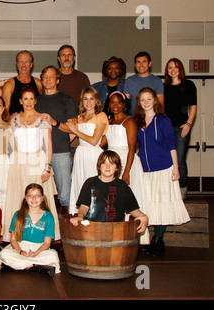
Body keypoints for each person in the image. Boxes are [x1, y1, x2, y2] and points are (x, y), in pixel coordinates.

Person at [134, 87, 190, 256]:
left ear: (155, 101)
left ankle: (158, 240)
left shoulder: (163, 121)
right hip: (144, 169)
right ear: (139, 103)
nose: (146, 103)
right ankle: (149, 240)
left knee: (162, 204)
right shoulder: (137, 122)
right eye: (142, 100)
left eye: (149, 99)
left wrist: (176, 167)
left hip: (164, 167)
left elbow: (172, 145)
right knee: (149, 205)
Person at [3, 85, 59, 242]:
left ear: (36, 100)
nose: (28, 102)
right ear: (20, 101)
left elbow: (48, 144)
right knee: (18, 197)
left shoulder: (43, 119)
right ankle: (17, 235)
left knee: (37, 198)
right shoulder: (13, 120)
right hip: (18, 161)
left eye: (31, 99)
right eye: (25, 99)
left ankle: (41, 236)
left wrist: (47, 167)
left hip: (37, 161)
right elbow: (11, 142)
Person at [103, 91, 149, 244]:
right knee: (114, 198)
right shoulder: (108, 122)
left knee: (131, 197)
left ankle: (137, 236)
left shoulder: (129, 121)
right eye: (112, 102)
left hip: (127, 161)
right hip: (112, 162)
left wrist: (126, 171)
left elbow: (131, 148)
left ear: (124, 104)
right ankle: (116, 233)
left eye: (119, 102)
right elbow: (100, 142)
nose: (115, 106)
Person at [70, 150, 148, 234]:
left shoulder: (122, 186)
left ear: (117, 167)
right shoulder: (90, 183)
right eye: (104, 163)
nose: (107, 167)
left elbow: (133, 209)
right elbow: (84, 207)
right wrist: (79, 217)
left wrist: (143, 216)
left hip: (115, 230)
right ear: (99, 166)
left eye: (111, 164)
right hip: (91, 228)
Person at [36, 65, 77, 216]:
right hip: (39, 155)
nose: (47, 79)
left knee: (64, 194)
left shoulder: (66, 100)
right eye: (45, 76)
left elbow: (73, 129)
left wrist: (55, 123)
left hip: (61, 152)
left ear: (58, 80)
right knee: (39, 193)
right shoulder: (35, 101)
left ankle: (69, 228)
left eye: (51, 76)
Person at [0, 183, 60, 278]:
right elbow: (13, 240)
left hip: (39, 249)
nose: (34, 199)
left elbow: (47, 243)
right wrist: (21, 252)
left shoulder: (48, 217)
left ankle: (16, 266)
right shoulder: (18, 215)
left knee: (53, 256)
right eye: (30, 196)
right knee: (5, 253)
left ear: (42, 198)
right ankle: (35, 266)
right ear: (25, 198)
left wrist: (35, 253)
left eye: (37, 196)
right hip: (21, 247)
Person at [67, 87, 108, 215]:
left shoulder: (101, 116)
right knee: (80, 183)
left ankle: (97, 215)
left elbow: (94, 141)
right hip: (81, 155)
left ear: (96, 101)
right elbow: (69, 137)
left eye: (91, 99)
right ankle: (80, 216)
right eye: (85, 99)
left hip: (93, 154)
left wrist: (75, 130)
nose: (88, 102)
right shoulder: (80, 117)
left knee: (94, 186)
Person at [163, 58, 197, 200]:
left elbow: (193, 106)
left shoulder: (188, 85)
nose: (173, 70)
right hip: (167, 128)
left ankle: (182, 190)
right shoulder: (164, 87)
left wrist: (188, 124)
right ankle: (170, 189)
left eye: (175, 67)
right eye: (170, 67)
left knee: (180, 159)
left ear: (180, 69)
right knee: (168, 159)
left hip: (181, 127)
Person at [2, 50, 42, 116]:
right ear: (17, 65)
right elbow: (4, 111)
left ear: (31, 64)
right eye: (21, 62)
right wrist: (13, 121)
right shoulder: (9, 84)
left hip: (34, 124)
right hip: (15, 124)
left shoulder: (38, 83)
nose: (23, 65)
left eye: (26, 61)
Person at [124, 51, 164, 116]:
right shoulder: (129, 80)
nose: (141, 65)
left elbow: (160, 105)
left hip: (152, 120)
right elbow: (125, 103)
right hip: (134, 120)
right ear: (135, 64)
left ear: (150, 64)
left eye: (144, 62)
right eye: (138, 62)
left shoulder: (157, 81)